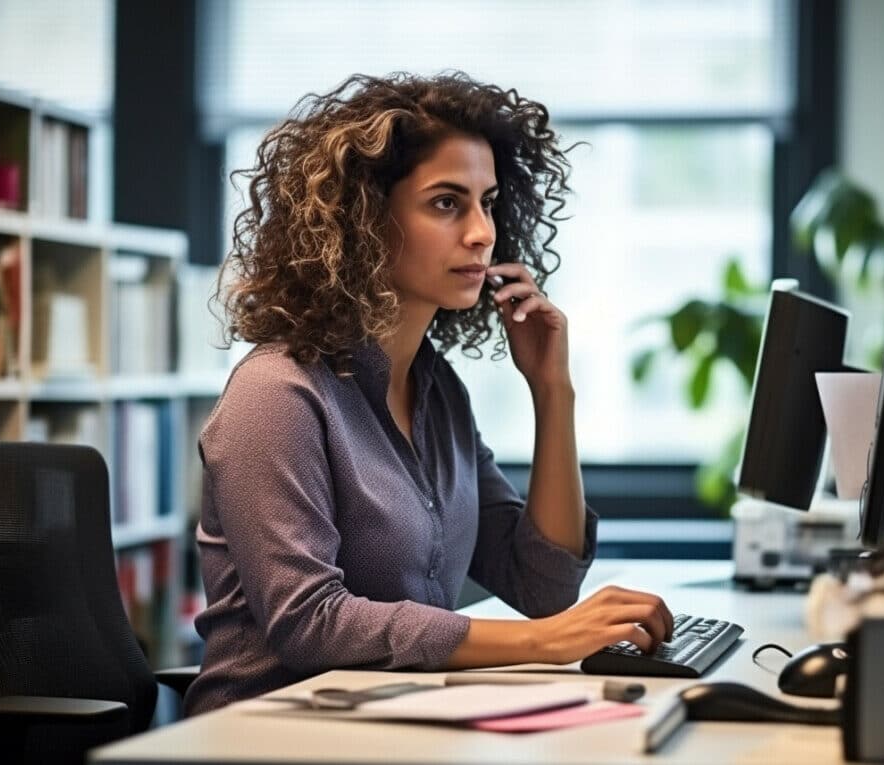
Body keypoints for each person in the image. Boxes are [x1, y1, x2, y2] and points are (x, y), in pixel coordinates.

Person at [184, 72, 673, 715]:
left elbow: (542, 584)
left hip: (403, 723)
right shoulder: (277, 395)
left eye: (488, 202)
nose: (482, 232)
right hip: (266, 737)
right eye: (447, 203)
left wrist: (553, 392)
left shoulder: (438, 393)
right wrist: (544, 641)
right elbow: (309, 623)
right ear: (361, 220)